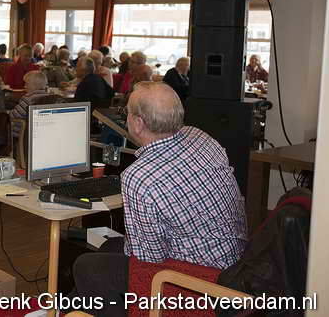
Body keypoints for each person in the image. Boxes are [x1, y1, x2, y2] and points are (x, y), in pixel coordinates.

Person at [70, 83, 247, 316]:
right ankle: (67, 309)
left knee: (86, 266)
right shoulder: (201, 137)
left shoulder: (139, 177)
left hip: (200, 278)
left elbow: (148, 258)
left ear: (138, 123)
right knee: (108, 247)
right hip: (235, 263)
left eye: (127, 112)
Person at [9, 71, 51, 137]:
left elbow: (14, 115)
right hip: (39, 131)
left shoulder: (28, 98)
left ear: (34, 85)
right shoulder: (48, 97)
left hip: (22, 133)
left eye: (26, 84)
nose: (24, 86)